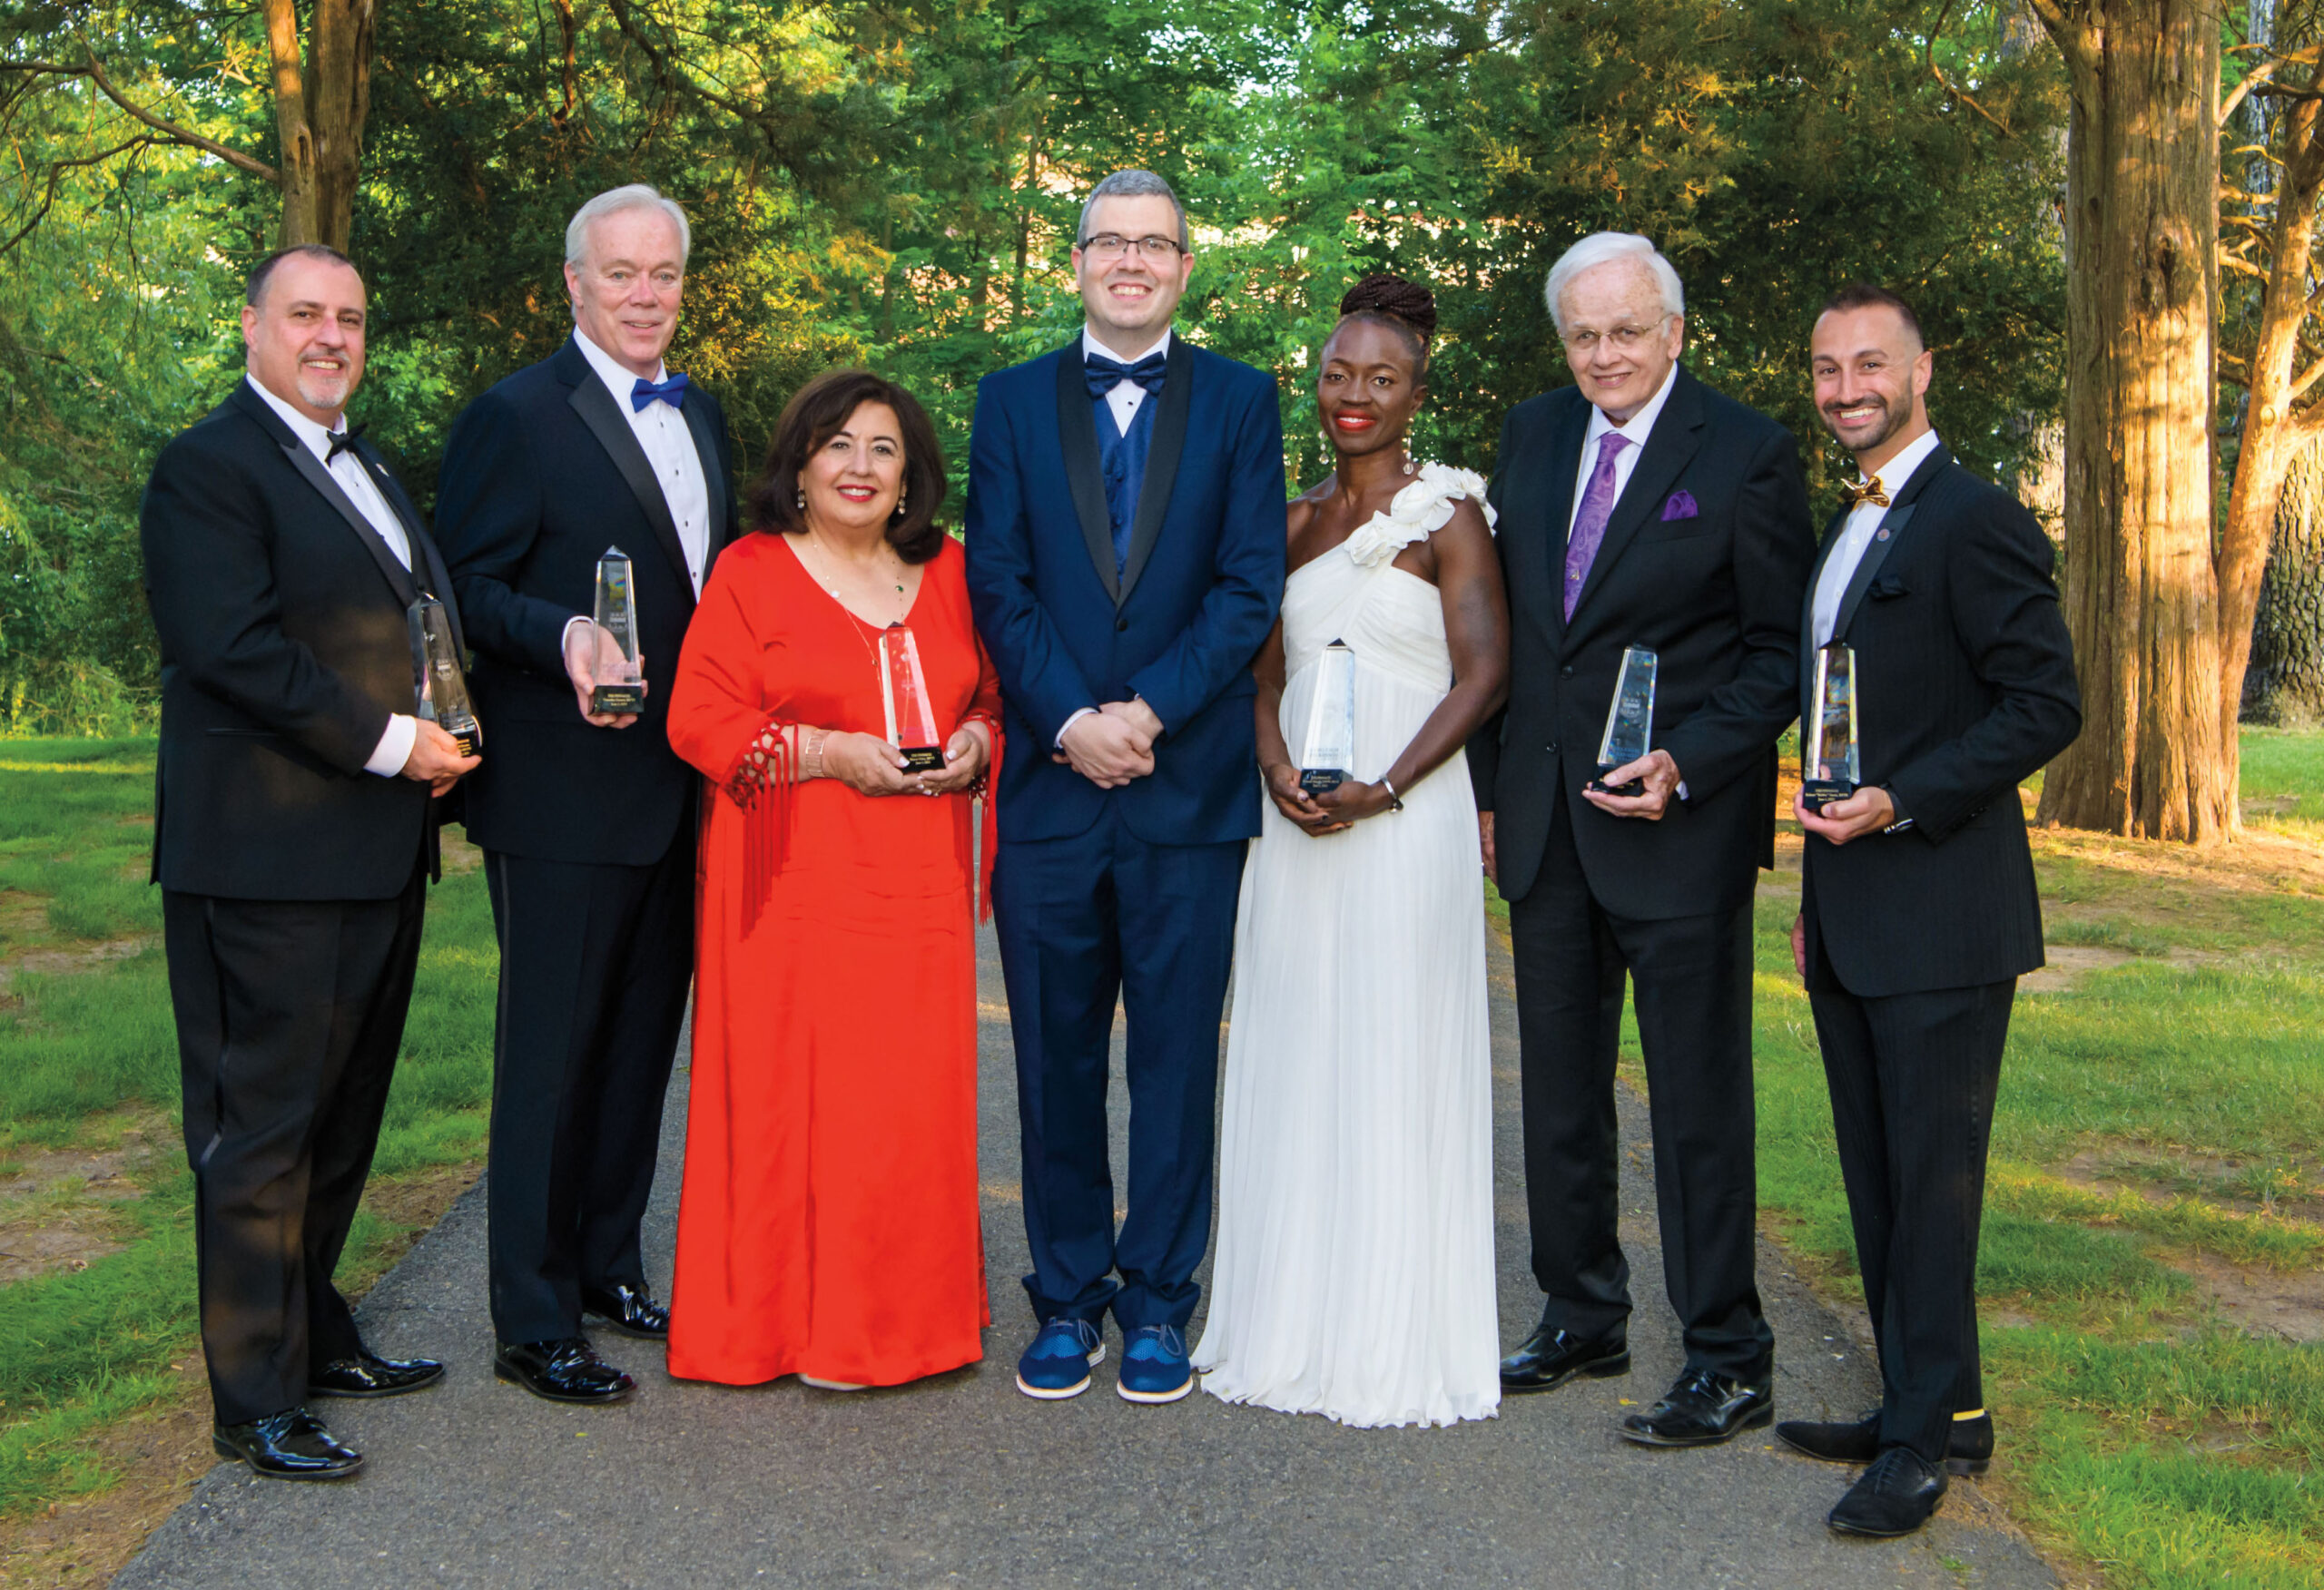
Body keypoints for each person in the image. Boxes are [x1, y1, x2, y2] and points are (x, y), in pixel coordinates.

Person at [1469, 231, 1813, 1446]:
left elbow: (1780, 655)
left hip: (1678, 830)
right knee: (1558, 1094)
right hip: (1549, 824)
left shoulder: (1750, 453)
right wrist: (1486, 792)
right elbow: (1507, 634)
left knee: (1694, 1103)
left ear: (1673, 332)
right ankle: (1581, 1312)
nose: (1604, 354)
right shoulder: (1532, 436)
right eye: (1583, 334)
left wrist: (1695, 759)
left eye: (1626, 331)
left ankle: (1729, 1351)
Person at [142, 244, 478, 1480]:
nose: (332, 335)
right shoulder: (206, 470)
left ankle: (313, 1328)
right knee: (261, 1133)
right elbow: (231, 650)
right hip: (264, 857)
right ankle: (253, 1397)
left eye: (350, 317)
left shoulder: (368, 462)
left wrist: (452, 732)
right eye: (306, 315)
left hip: (375, 854)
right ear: (252, 328)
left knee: (339, 1123)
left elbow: (415, 624)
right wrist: (399, 745)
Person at [964, 169, 1285, 1404]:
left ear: (1187, 267)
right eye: (1113, 242)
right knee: (1051, 1061)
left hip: (1185, 794)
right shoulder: (1008, 402)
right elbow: (1000, 583)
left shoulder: (1243, 403)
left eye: (1157, 245)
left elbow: (1248, 588)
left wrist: (1144, 714)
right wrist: (1072, 723)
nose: (1134, 262)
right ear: (1080, 259)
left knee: (1172, 1065)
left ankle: (1159, 1302)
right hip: (1051, 797)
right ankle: (1066, 1298)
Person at [1777, 285, 2079, 1536]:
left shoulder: (1975, 520)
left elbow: (2044, 703)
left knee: (1935, 1177)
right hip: (1851, 904)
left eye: (1870, 366)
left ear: (1921, 371)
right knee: (1881, 1173)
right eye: (1826, 368)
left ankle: (1917, 1450)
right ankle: (1936, 1403)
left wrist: (1903, 798)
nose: (1847, 387)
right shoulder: (1848, 522)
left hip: (1944, 908)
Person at [435, 183, 740, 1404]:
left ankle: (610, 1262)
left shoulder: (702, 412)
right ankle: (531, 1315)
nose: (645, 294)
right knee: (551, 1057)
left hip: (679, 791)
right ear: (574, 284)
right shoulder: (515, 417)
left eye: (663, 273)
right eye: (621, 274)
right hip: (561, 796)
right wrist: (560, 631)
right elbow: (461, 586)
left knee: (634, 1050)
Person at [1193, 276, 1510, 1428]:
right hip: (1297, 822)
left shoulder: (1448, 516)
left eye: (1381, 377)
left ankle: (1390, 1329)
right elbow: (1260, 668)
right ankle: (1285, 1317)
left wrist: (1387, 786)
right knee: (1297, 1039)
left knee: (1389, 1043)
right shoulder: (1284, 521)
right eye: (1337, 374)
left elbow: (1485, 675)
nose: (1355, 395)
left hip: (1404, 818)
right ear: (1314, 383)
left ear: (1417, 390)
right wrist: (1275, 766)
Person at [661, 372, 1000, 1389]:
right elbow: (697, 718)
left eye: (883, 449)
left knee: (904, 1106)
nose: (859, 466)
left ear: (910, 477)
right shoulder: (751, 571)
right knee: (791, 1103)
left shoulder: (950, 571)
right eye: (837, 445)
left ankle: (897, 1328)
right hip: (789, 883)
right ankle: (775, 1330)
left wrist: (980, 742)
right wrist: (819, 751)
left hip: (918, 886)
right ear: (799, 466)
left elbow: (988, 692)